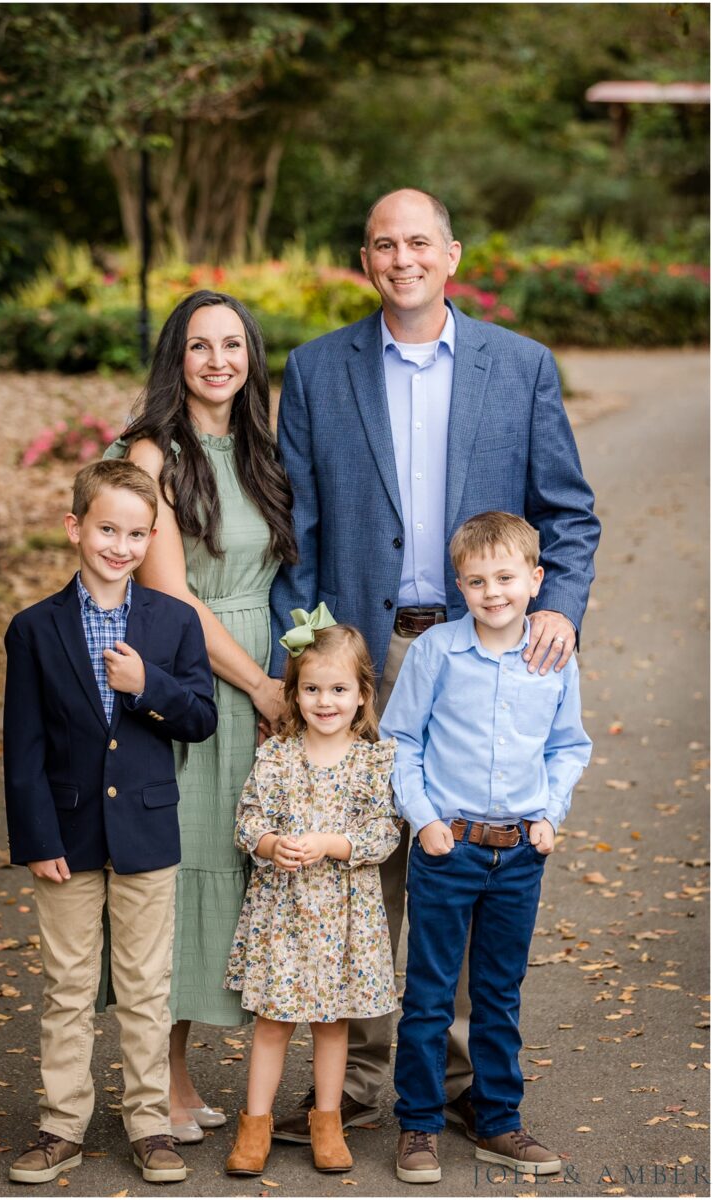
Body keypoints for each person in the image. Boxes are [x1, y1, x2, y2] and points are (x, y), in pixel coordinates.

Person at [269, 187, 601, 1141]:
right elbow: (299, 534)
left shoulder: (521, 365)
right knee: (362, 868)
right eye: (385, 244)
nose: (403, 258)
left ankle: (459, 1080)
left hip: (481, 646)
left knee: (465, 859)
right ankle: (356, 1077)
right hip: (359, 660)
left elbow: (568, 515)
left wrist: (559, 611)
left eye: (420, 241)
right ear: (365, 261)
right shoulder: (318, 369)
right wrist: (304, 659)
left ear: (452, 255)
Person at [102, 290, 297, 1141]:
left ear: (251, 356)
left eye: (232, 344)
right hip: (194, 674)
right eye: (198, 346)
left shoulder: (259, 448)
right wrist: (259, 686)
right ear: (174, 359)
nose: (218, 361)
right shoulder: (153, 453)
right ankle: (162, 1080)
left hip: (263, 666)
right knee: (178, 877)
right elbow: (172, 594)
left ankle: (178, 1070)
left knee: (232, 863)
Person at [3, 459, 217, 1185]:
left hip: (147, 834)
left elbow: (200, 718)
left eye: (135, 534)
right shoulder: (34, 629)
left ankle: (150, 1125)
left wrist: (148, 685)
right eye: (106, 530)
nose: (120, 547)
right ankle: (61, 1124)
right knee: (67, 986)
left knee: (146, 986)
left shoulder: (174, 620)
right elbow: (24, 747)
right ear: (75, 528)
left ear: (152, 538)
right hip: (66, 838)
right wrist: (36, 838)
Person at [381, 511, 592, 1181]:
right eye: (476, 581)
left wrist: (550, 814)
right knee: (430, 993)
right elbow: (401, 740)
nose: (492, 592)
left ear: (536, 580)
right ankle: (418, 1123)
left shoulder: (555, 657)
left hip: (520, 853)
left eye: (505, 578)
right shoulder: (437, 651)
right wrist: (423, 818)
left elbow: (568, 746)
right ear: (460, 586)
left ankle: (499, 1121)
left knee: (499, 994)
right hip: (449, 846)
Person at [223, 608, 401, 1177]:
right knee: (274, 1022)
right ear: (295, 694)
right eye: (312, 689)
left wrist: (332, 843)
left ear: (362, 694)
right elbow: (248, 819)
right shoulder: (277, 755)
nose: (325, 701)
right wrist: (271, 844)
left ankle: (328, 1123)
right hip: (285, 913)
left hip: (344, 918)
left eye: (339, 689)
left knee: (332, 1024)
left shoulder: (373, 761)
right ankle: (255, 1125)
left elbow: (383, 834)